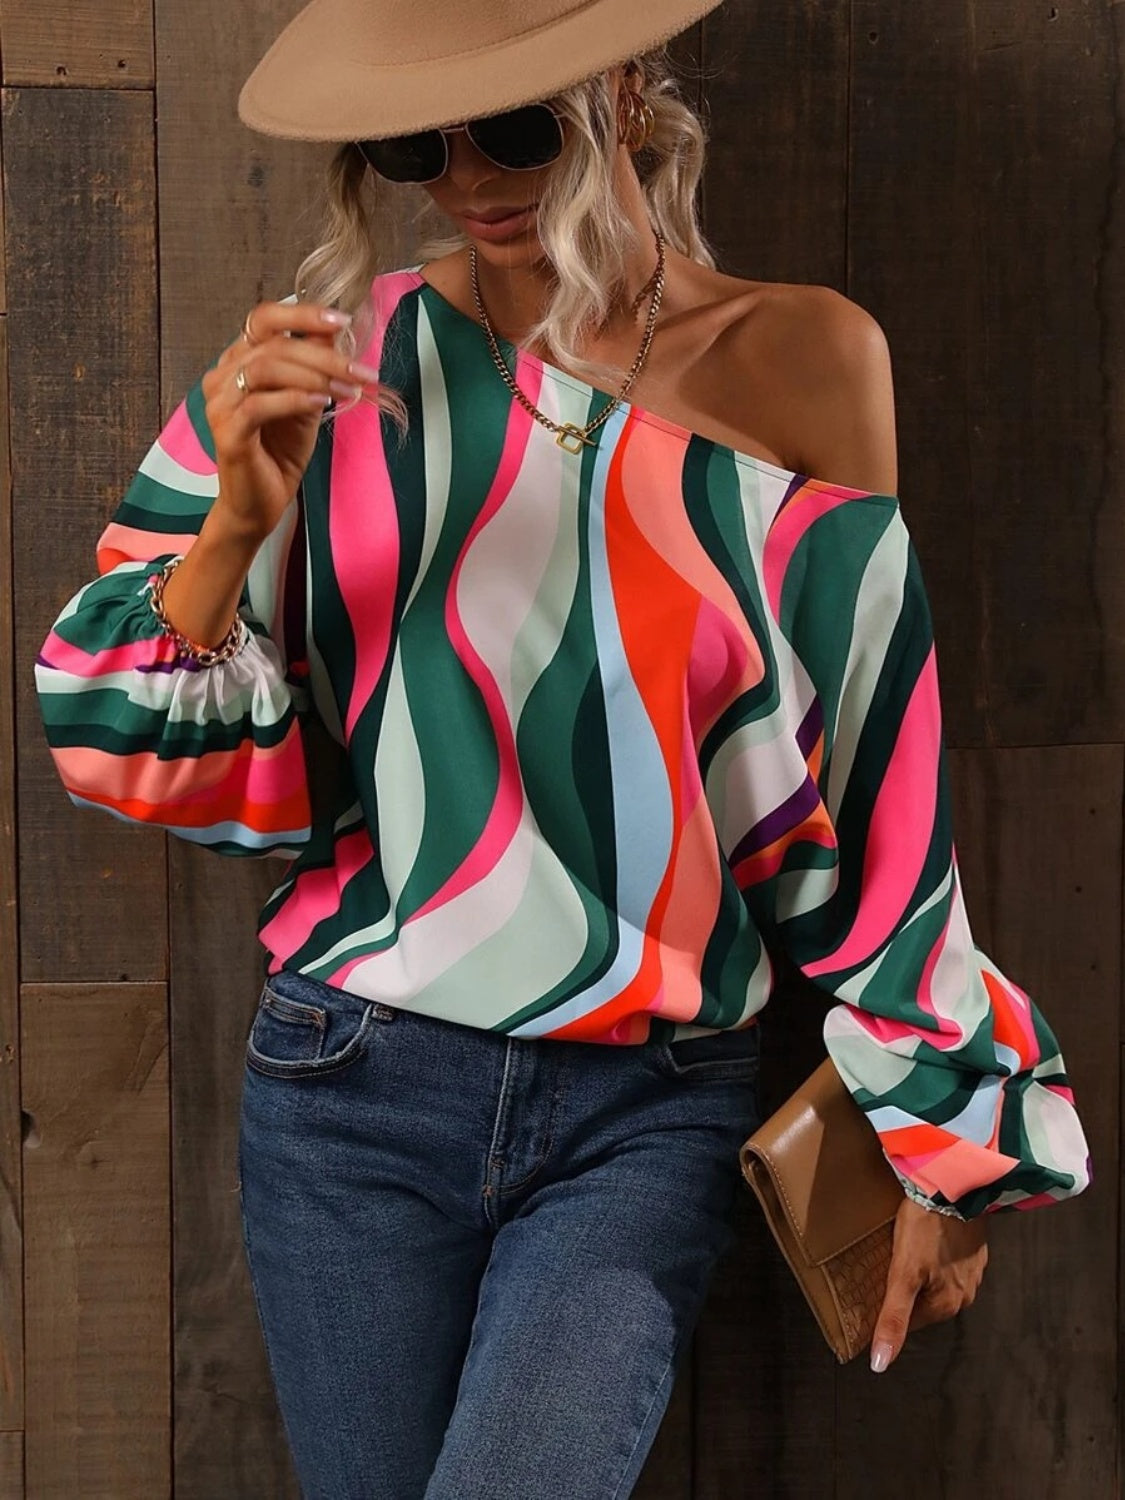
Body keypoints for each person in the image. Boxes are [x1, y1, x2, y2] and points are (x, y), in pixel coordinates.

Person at [33, 0, 1092, 1496]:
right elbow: (126, 739)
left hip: (644, 1111)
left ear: (628, 85)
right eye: (417, 147)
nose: (469, 179)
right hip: (351, 1087)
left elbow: (874, 785)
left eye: (516, 126)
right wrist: (231, 529)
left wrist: (947, 1128)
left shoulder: (804, 359)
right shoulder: (335, 367)